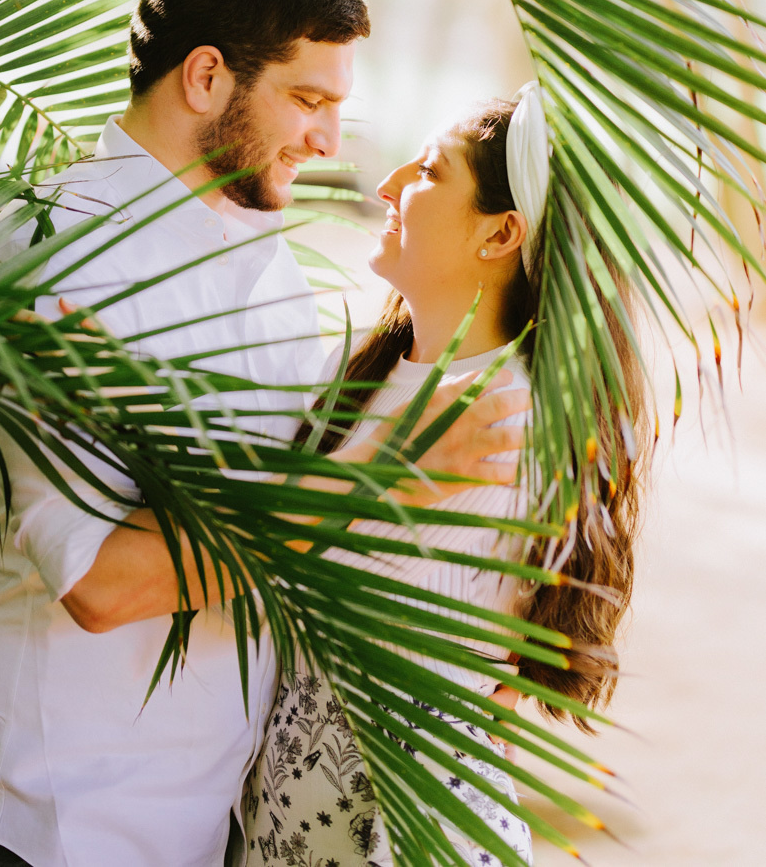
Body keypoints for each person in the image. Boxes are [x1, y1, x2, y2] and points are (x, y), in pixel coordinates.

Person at [0, 0, 530, 867]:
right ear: (207, 76)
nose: (329, 141)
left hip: (210, 831)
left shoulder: (286, 291)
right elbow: (101, 583)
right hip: (47, 823)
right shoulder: (45, 262)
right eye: (306, 101)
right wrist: (375, 476)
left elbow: (302, 533)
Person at [241, 87, 647, 867]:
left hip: (405, 833)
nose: (388, 184)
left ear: (500, 233)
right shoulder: (355, 375)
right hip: (289, 813)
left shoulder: (509, 422)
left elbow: (264, 559)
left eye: (428, 172)